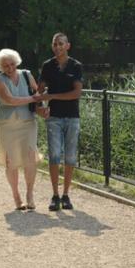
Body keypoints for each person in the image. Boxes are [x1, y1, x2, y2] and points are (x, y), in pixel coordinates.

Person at [0, 48, 43, 211]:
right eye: (6, 65)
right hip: (7, 124)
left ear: (17, 62)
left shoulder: (27, 75)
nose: (10, 68)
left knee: (30, 157)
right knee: (11, 161)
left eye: (12, 64)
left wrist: (41, 104)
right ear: (0, 67)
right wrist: (32, 98)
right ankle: (16, 196)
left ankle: (29, 195)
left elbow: (38, 93)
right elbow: (10, 100)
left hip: (28, 121)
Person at [37, 33, 83, 211]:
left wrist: (52, 96)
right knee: (55, 156)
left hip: (72, 117)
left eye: (61, 44)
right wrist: (40, 107)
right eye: (55, 44)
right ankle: (55, 195)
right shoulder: (47, 66)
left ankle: (66, 195)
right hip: (54, 117)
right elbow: (39, 91)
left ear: (68, 46)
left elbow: (76, 93)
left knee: (70, 157)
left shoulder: (76, 66)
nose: (57, 47)